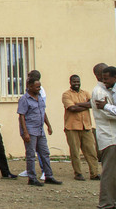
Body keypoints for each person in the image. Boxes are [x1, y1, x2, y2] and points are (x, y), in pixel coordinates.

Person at [17, 77, 63, 186]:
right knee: (31, 154)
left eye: (40, 87)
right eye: (37, 87)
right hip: (30, 130)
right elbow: (21, 116)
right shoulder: (24, 99)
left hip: (40, 130)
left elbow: (43, 111)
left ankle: (49, 176)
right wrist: (25, 132)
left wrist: (49, 125)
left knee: (45, 153)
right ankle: (32, 178)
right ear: (30, 86)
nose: (39, 89)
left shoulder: (40, 97)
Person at [61, 74, 99, 181]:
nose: (76, 84)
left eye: (78, 82)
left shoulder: (85, 93)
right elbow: (72, 108)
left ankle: (94, 173)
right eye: (74, 82)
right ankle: (78, 173)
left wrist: (79, 104)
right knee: (75, 152)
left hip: (86, 127)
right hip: (72, 127)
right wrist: (85, 105)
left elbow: (93, 104)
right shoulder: (66, 95)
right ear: (70, 82)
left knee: (91, 151)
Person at [92, 65, 116, 208]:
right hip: (109, 137)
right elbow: (106, 114)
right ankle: (106, 203)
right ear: (98, 75)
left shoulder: (108, 90)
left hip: (112, 136)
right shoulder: (100, 91)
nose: (106, 78)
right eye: (104, 75)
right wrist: (107, 107)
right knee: (109, 173)